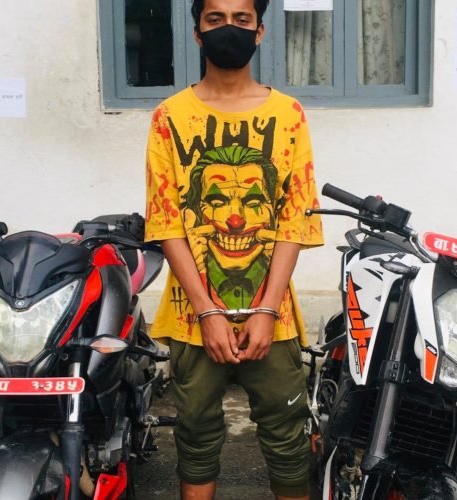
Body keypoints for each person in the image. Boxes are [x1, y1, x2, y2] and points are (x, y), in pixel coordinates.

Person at [144, 0, 323, 498]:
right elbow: (166, 223)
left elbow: (294, 219)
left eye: (242, 19)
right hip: (191, 315)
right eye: (215, 19)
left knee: (288, 441)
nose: (230, 28)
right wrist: (208, 312)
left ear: (259, 31)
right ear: (197, 33)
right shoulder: (169, 118)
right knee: (195, 437)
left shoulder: (288, 115)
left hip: (273, 317)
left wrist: (265, 309)